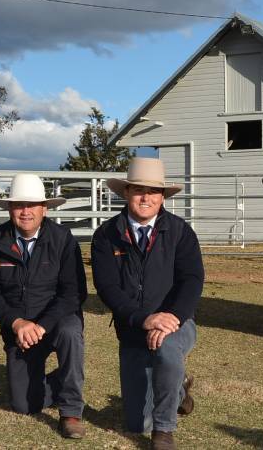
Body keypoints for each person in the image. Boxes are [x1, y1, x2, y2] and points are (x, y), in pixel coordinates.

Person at [90, 158, 204, 450]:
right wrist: (143, 319)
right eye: (139, 190)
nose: (146, 197)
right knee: (136, 423)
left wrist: (171, 317)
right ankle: (178, 391)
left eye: (153, 191)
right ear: (127, 193)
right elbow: (107, 287)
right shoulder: (106, 235)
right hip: (132, 329)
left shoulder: (180, 232)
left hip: (177, 324)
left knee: (166, 349)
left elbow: (191, 280)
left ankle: (164, 431)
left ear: (162, 196)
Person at [0, 173, 88, 439]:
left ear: (44, 208)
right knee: (23, 404)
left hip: (56, 321)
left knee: (71, 332)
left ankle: (71, 411)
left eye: (32, 205)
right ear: (10, 209)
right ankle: (65, 377)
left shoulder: (63, 240)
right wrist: (16, 323)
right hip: (19, 329)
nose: (25, 211)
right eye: (18, 205)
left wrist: (40, 325)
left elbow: (74, 293)